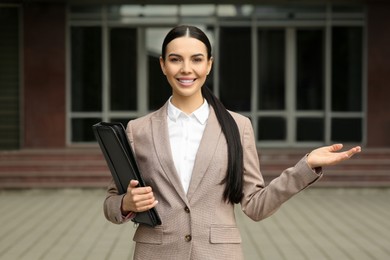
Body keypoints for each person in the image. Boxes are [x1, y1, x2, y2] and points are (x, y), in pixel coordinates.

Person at [103, 25, 361, 260]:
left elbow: (256, 206)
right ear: (162, 65)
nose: (186, 69)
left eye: (196, 59)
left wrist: (305, 167)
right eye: (175, 59)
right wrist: (126, 204)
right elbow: (112, 201)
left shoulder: (238, 126)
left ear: (209, 65)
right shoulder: (138, 130)